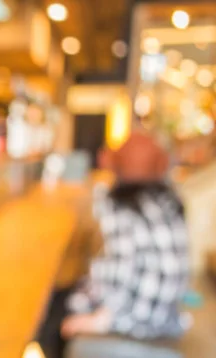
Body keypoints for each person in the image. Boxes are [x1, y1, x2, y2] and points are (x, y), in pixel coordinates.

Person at [62, 132, 190, 357]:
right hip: (166, 319)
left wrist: (97, 320)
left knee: (54, 316)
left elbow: (120, 277)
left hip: (132, 324)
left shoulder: (121, 211)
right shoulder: (170, 204)